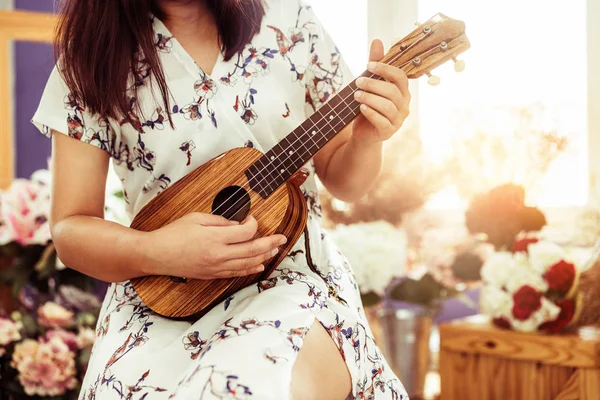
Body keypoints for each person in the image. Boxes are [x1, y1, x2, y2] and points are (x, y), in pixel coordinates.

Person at [32, 0, 411, 398]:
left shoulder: (290, 21)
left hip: (289, 279)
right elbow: (70, 227)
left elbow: (346, 182)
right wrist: (156, 250)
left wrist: (367, 141)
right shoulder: (91, 56)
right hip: (163, 296)